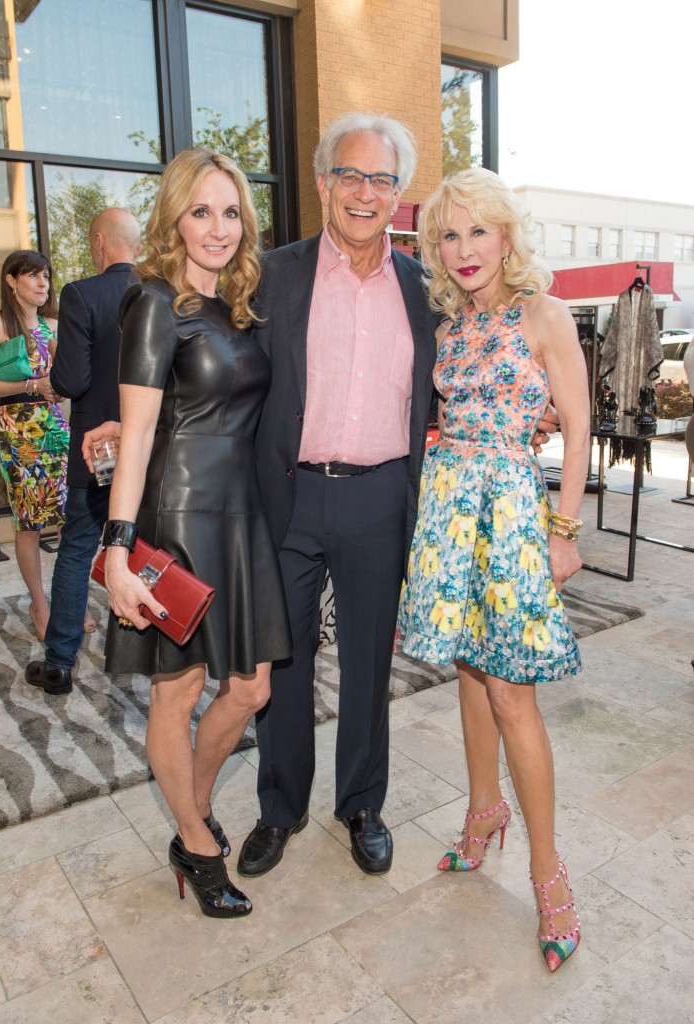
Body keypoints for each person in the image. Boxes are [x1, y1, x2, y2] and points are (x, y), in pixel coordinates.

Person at [237, 113, 439, 879]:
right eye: (349, 175)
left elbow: (456, 389)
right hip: (288, 494)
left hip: (382, 497)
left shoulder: (426, 289)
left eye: (381, 179)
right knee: (280, 660)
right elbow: (229, 377)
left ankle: (362, 804)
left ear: (399, 194)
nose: (364, 192)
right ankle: (279, 806)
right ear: (322, 183)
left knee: (366, 663)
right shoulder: (272, 274)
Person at [397, 167, 590, 972]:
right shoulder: (447, 328)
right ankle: (483, 812)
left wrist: (564, 529)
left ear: (507, 235)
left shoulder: (544, 315)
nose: (465, 247)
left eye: (479, 229)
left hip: (513, 512)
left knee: (512, 692)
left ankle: (550, 875)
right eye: (449, 234)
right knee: (470, 671)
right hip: (449, 509)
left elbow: (579, 425)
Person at [102, 147, 291, 918]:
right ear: (174, 220)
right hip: (178, 518)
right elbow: (141, 435)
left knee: (251, 685)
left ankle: (192, 809)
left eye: (230, 211)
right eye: (200, 212)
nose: (218, 228)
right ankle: (197, 838)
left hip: (241, 517)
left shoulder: (238, 306)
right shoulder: (153, 301)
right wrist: (117, 548)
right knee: (176, 692)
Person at [25, 209, 142, 696]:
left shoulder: (81, 294)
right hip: (152, 446)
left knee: (77, 550)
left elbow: (71, 379)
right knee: (147, 547)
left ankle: (59, 663)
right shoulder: (160, 292)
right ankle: (155, 658)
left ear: (98, 242)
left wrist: (50, 384)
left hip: (98, 449)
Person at [0, 251, 69, 640]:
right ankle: (39, 604)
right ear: (11, 281)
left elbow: (67, 377)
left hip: (55, 427)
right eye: (33, 276)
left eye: (46, 276)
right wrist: (31, 385)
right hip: (17, 430)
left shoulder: (54, 325)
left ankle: (66, 600)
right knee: (30, 522)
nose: (43, 283)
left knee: (67, 519)